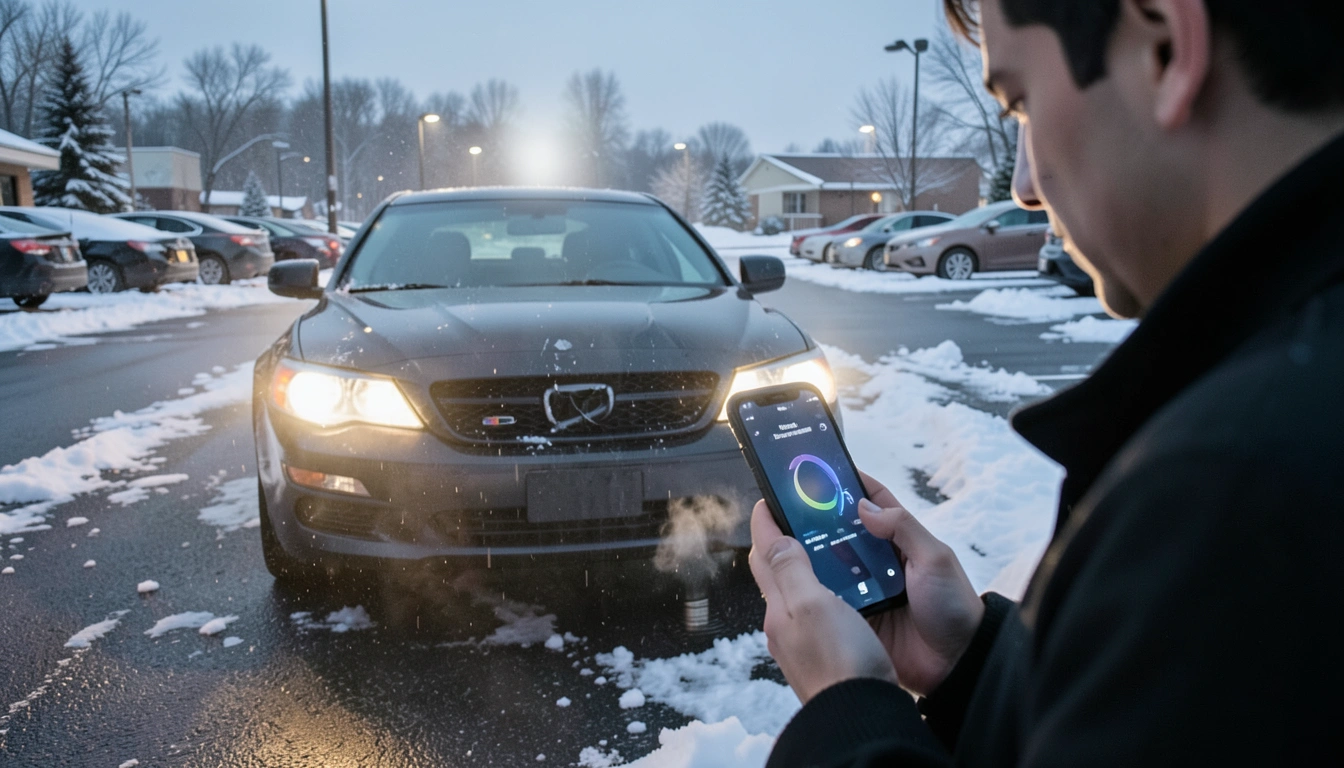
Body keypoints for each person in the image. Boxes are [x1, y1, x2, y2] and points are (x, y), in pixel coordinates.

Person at [749, 0, 1344, 765]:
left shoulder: (1231, 494)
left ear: (1165, 43)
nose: (1025, 183)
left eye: (1022, 101)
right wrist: (976, 664)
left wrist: (846, 717)